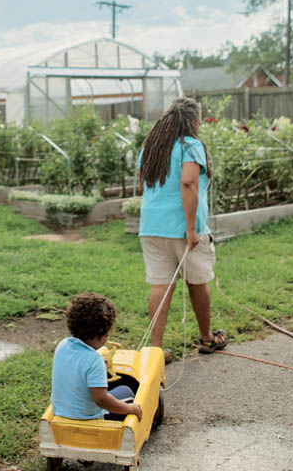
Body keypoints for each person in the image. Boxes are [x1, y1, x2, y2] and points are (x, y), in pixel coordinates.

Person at [137, 97, 227, 362]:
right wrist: (190, 228)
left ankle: (155, 349)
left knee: (160, 285)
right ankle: (206, 339)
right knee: (197, 282)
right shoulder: (191, 147)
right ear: (193, 121)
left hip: (151, 227)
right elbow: (188, 183)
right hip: (182, 229)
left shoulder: (151, 148)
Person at [51, 293, 143, 422]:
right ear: (101, 333)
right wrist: (129, 409)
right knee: (126, 390)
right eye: (107, 334)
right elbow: (101, 399)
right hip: (90, 419)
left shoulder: (63, 345)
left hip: (62, 412)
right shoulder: (94, 360)